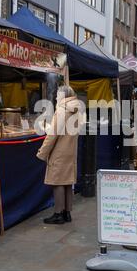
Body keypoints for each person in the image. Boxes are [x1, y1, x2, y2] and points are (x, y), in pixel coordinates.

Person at [37, 86, 82, 225]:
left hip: (59, 151)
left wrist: (42, 153)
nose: (56, 97)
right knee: (67, 182)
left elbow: (52, 135)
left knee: (57, 182)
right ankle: (67, 213)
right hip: (70, 150)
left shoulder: (62, 110)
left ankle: (58, 214)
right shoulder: (77, 109)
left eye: (57, 95)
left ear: (63, 95)